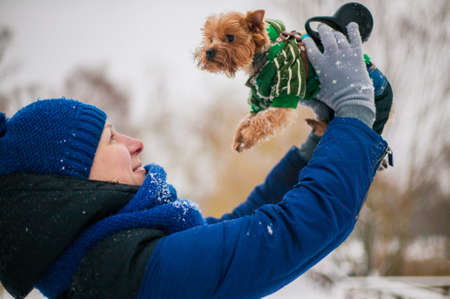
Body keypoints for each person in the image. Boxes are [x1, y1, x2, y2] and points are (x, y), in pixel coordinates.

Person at [0, 23, 391, 299]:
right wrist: (355, 112)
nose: (135, 143)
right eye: (111, 139)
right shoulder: (124, 274)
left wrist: (316, 147)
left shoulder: (104, 255)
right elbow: (282, 236)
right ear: (71, 181)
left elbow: (238, 227)